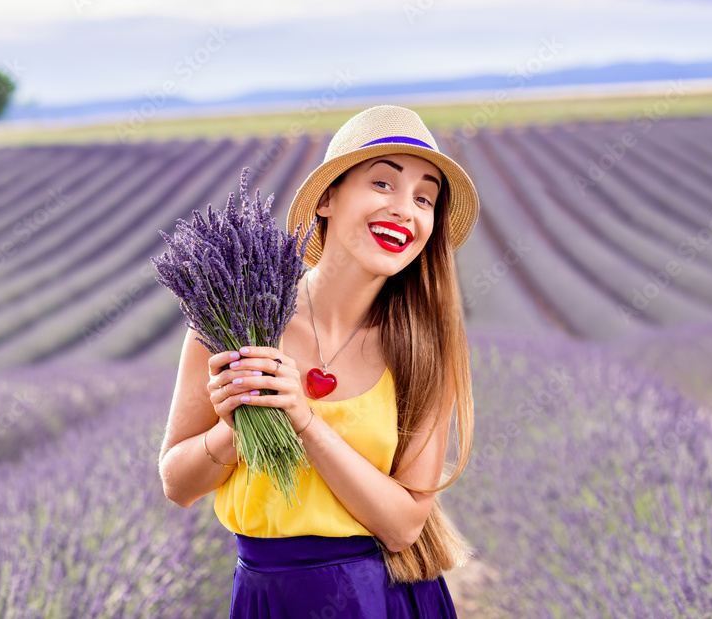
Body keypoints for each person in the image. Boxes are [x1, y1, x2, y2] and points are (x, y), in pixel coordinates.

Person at [159, 105, 480, 618]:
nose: (406, 209)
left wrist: (302, 419)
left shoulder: (423, 346)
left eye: (425, 198)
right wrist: (236, 425)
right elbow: (177, 485)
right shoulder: (233, 321)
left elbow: (403, 526)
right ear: (328, 198)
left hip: (383, 599)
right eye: (383, 184)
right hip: (270, 597)